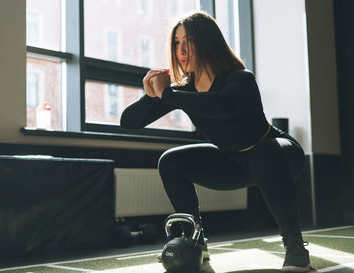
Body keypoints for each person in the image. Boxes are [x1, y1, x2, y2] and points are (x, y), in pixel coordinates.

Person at [120, 11, 313, 272]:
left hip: (280, 156)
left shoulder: (240, 78)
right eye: (176, 43)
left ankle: (295, 246)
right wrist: (151, 96)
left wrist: (167, 93)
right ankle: (195, 244)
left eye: (188, 41)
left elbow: (222, 105)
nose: (181, 50)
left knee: (263, 152)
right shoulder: (183, 90)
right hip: (234, 162)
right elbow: (128, 121)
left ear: (208, 42)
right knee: (171, 161)